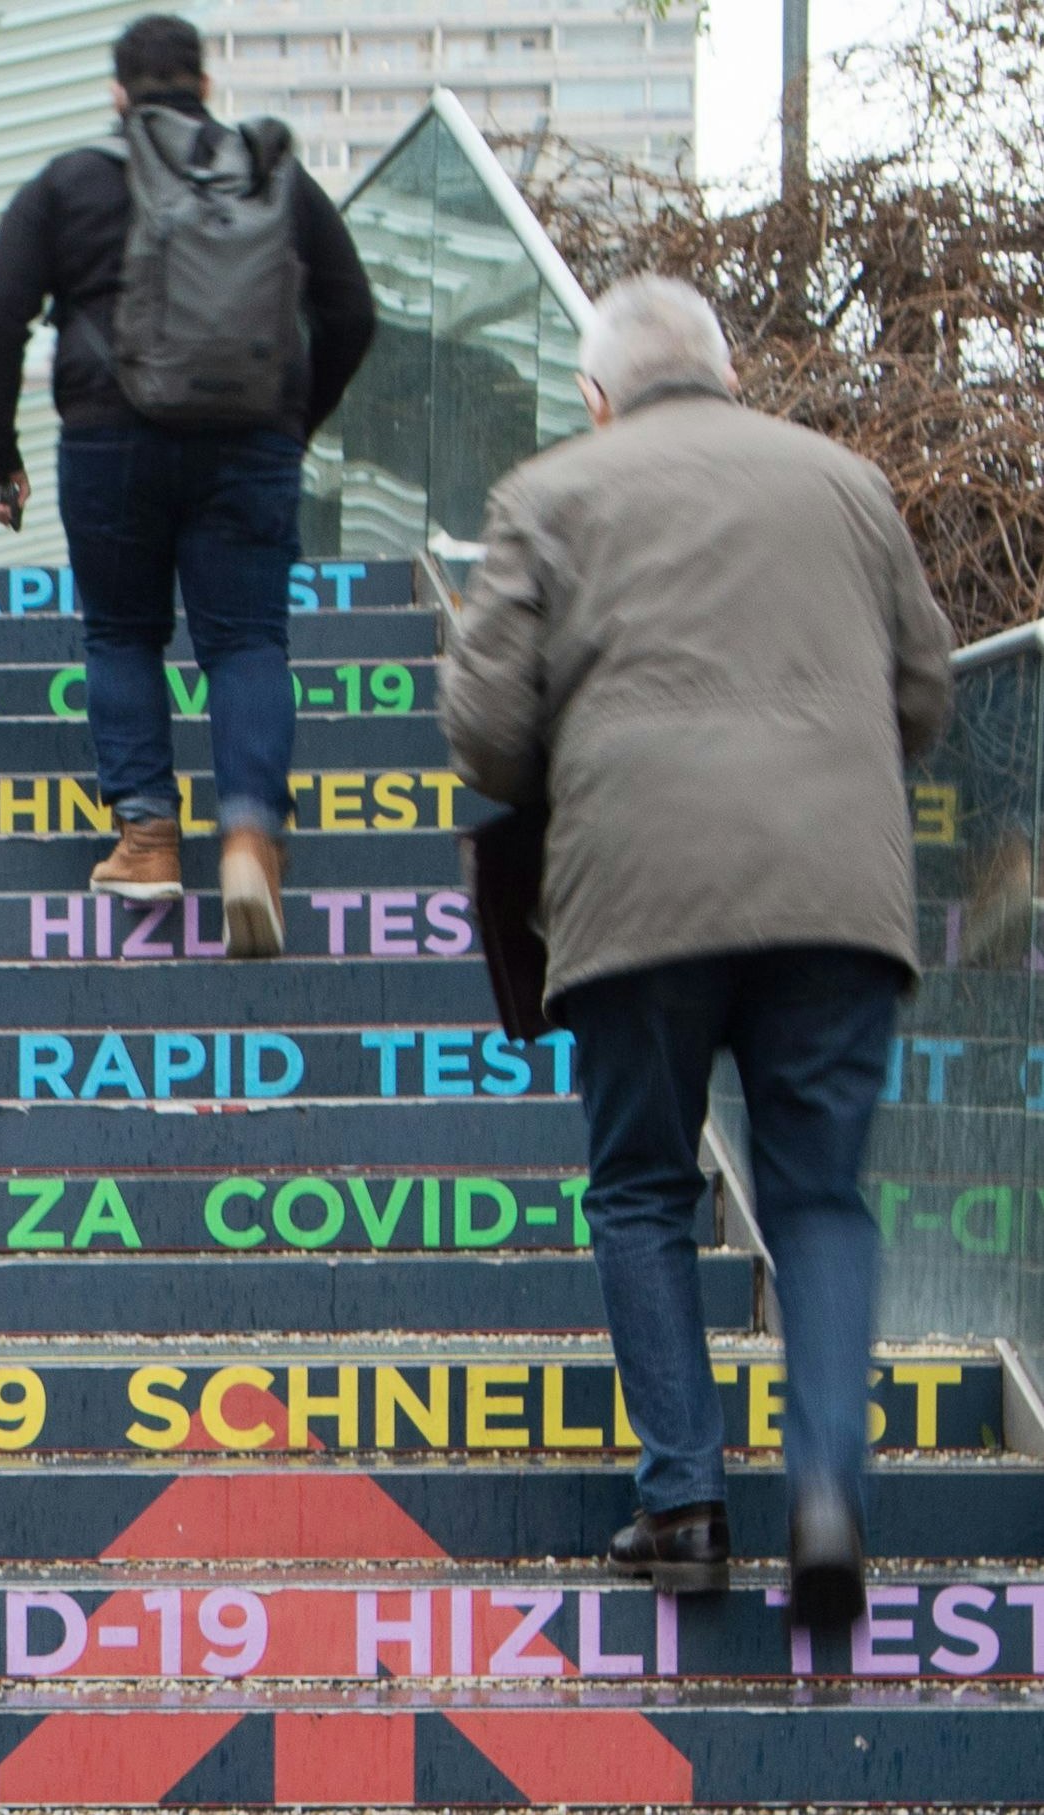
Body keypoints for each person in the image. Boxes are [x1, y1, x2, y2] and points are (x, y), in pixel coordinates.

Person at [440, 276, 953, 1630]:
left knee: (642, 1190)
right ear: (725, 374)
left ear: (596, 395)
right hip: (835, 897)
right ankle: (827, 1490)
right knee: (821, 1200)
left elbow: (487, 731)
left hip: (636, 894)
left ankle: (682, 1505)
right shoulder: (844, 480)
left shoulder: (550, 492)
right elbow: (923, 689)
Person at [0, 13, 376, 955]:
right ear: (204, 83)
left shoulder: (70, 184)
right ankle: (246, 841)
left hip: (109, 442)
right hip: (248, 447)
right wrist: (287, 421)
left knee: (121, 631)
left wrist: (0, 451)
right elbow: (351, 309)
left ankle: (148, 838)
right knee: (243, 645)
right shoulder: (274, 179)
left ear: (119, 93)